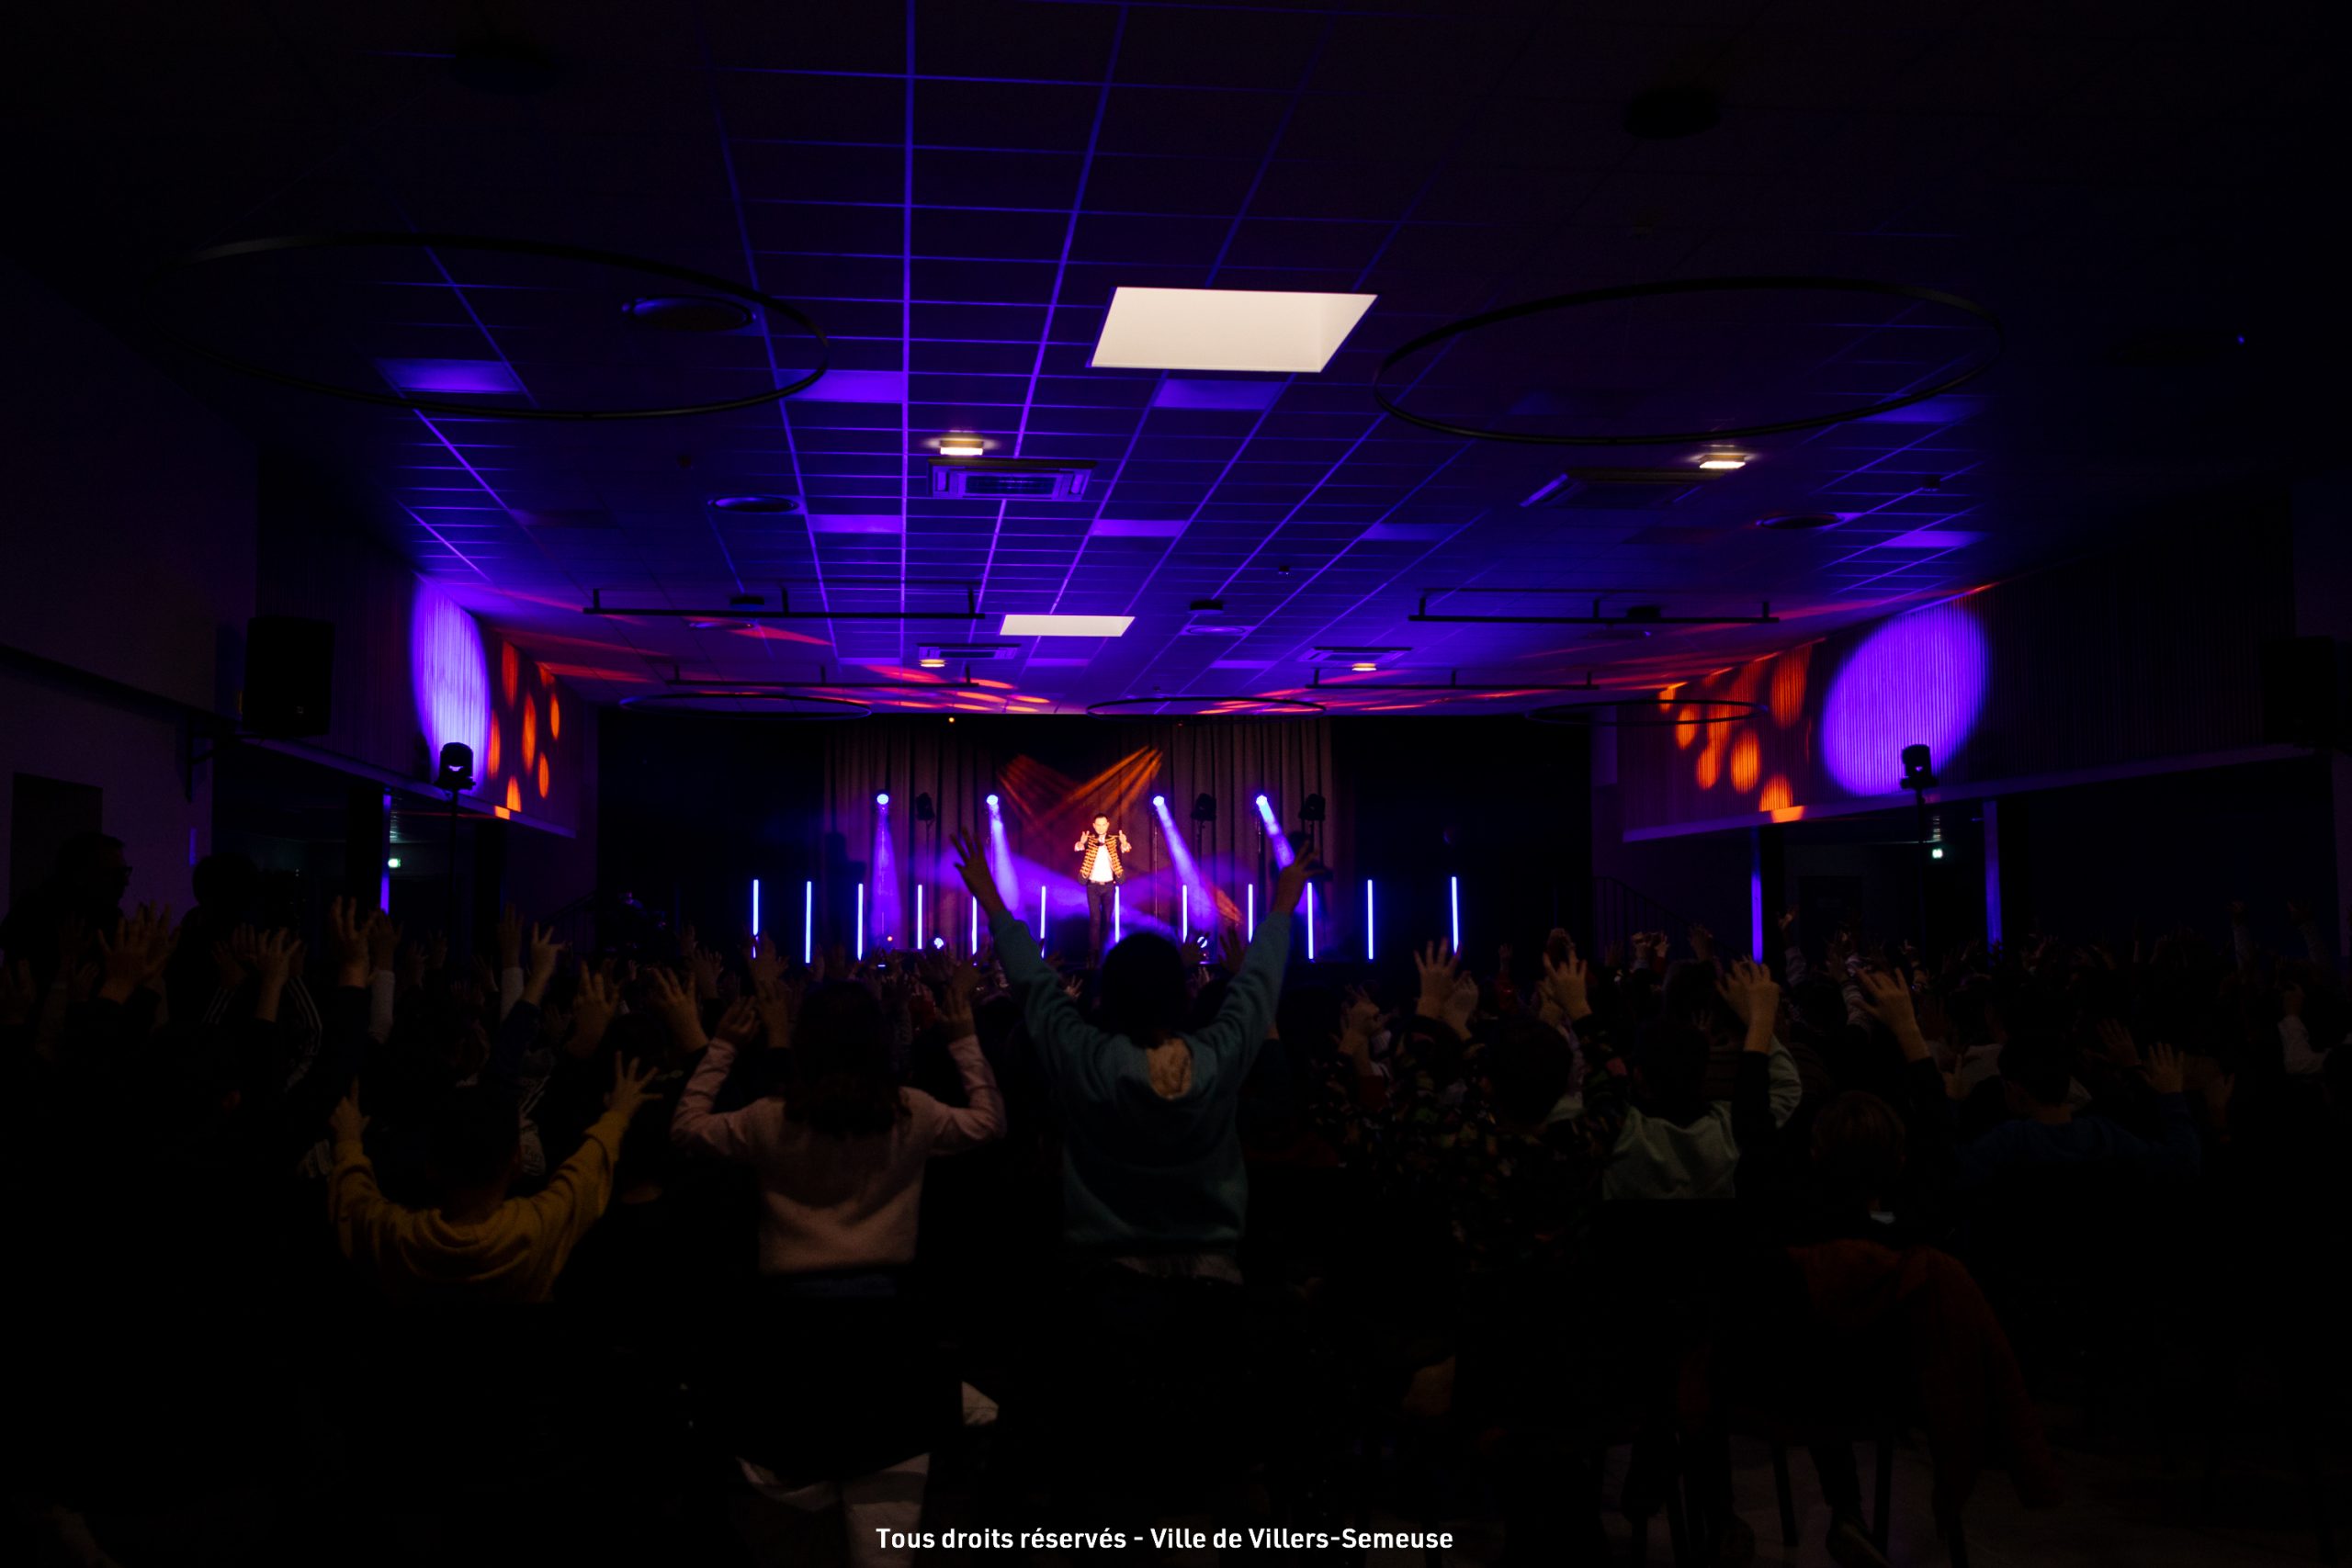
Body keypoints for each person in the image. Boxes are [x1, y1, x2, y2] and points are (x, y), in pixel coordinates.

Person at [1072, 813, 1129, 962]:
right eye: (1098, 825)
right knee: (1095, 919)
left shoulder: (1114, 839)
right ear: (1094, 826)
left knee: (1107, 919)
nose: (1101, 827)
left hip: (1109, 886)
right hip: (1093, 886)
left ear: (1108, 825)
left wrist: (1124, 843)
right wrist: (1080, 843)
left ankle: (1105, 951)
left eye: (1104, 824)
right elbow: (1078, 847)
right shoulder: (1090, 839)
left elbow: (1126, 848)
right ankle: (1093, 953)